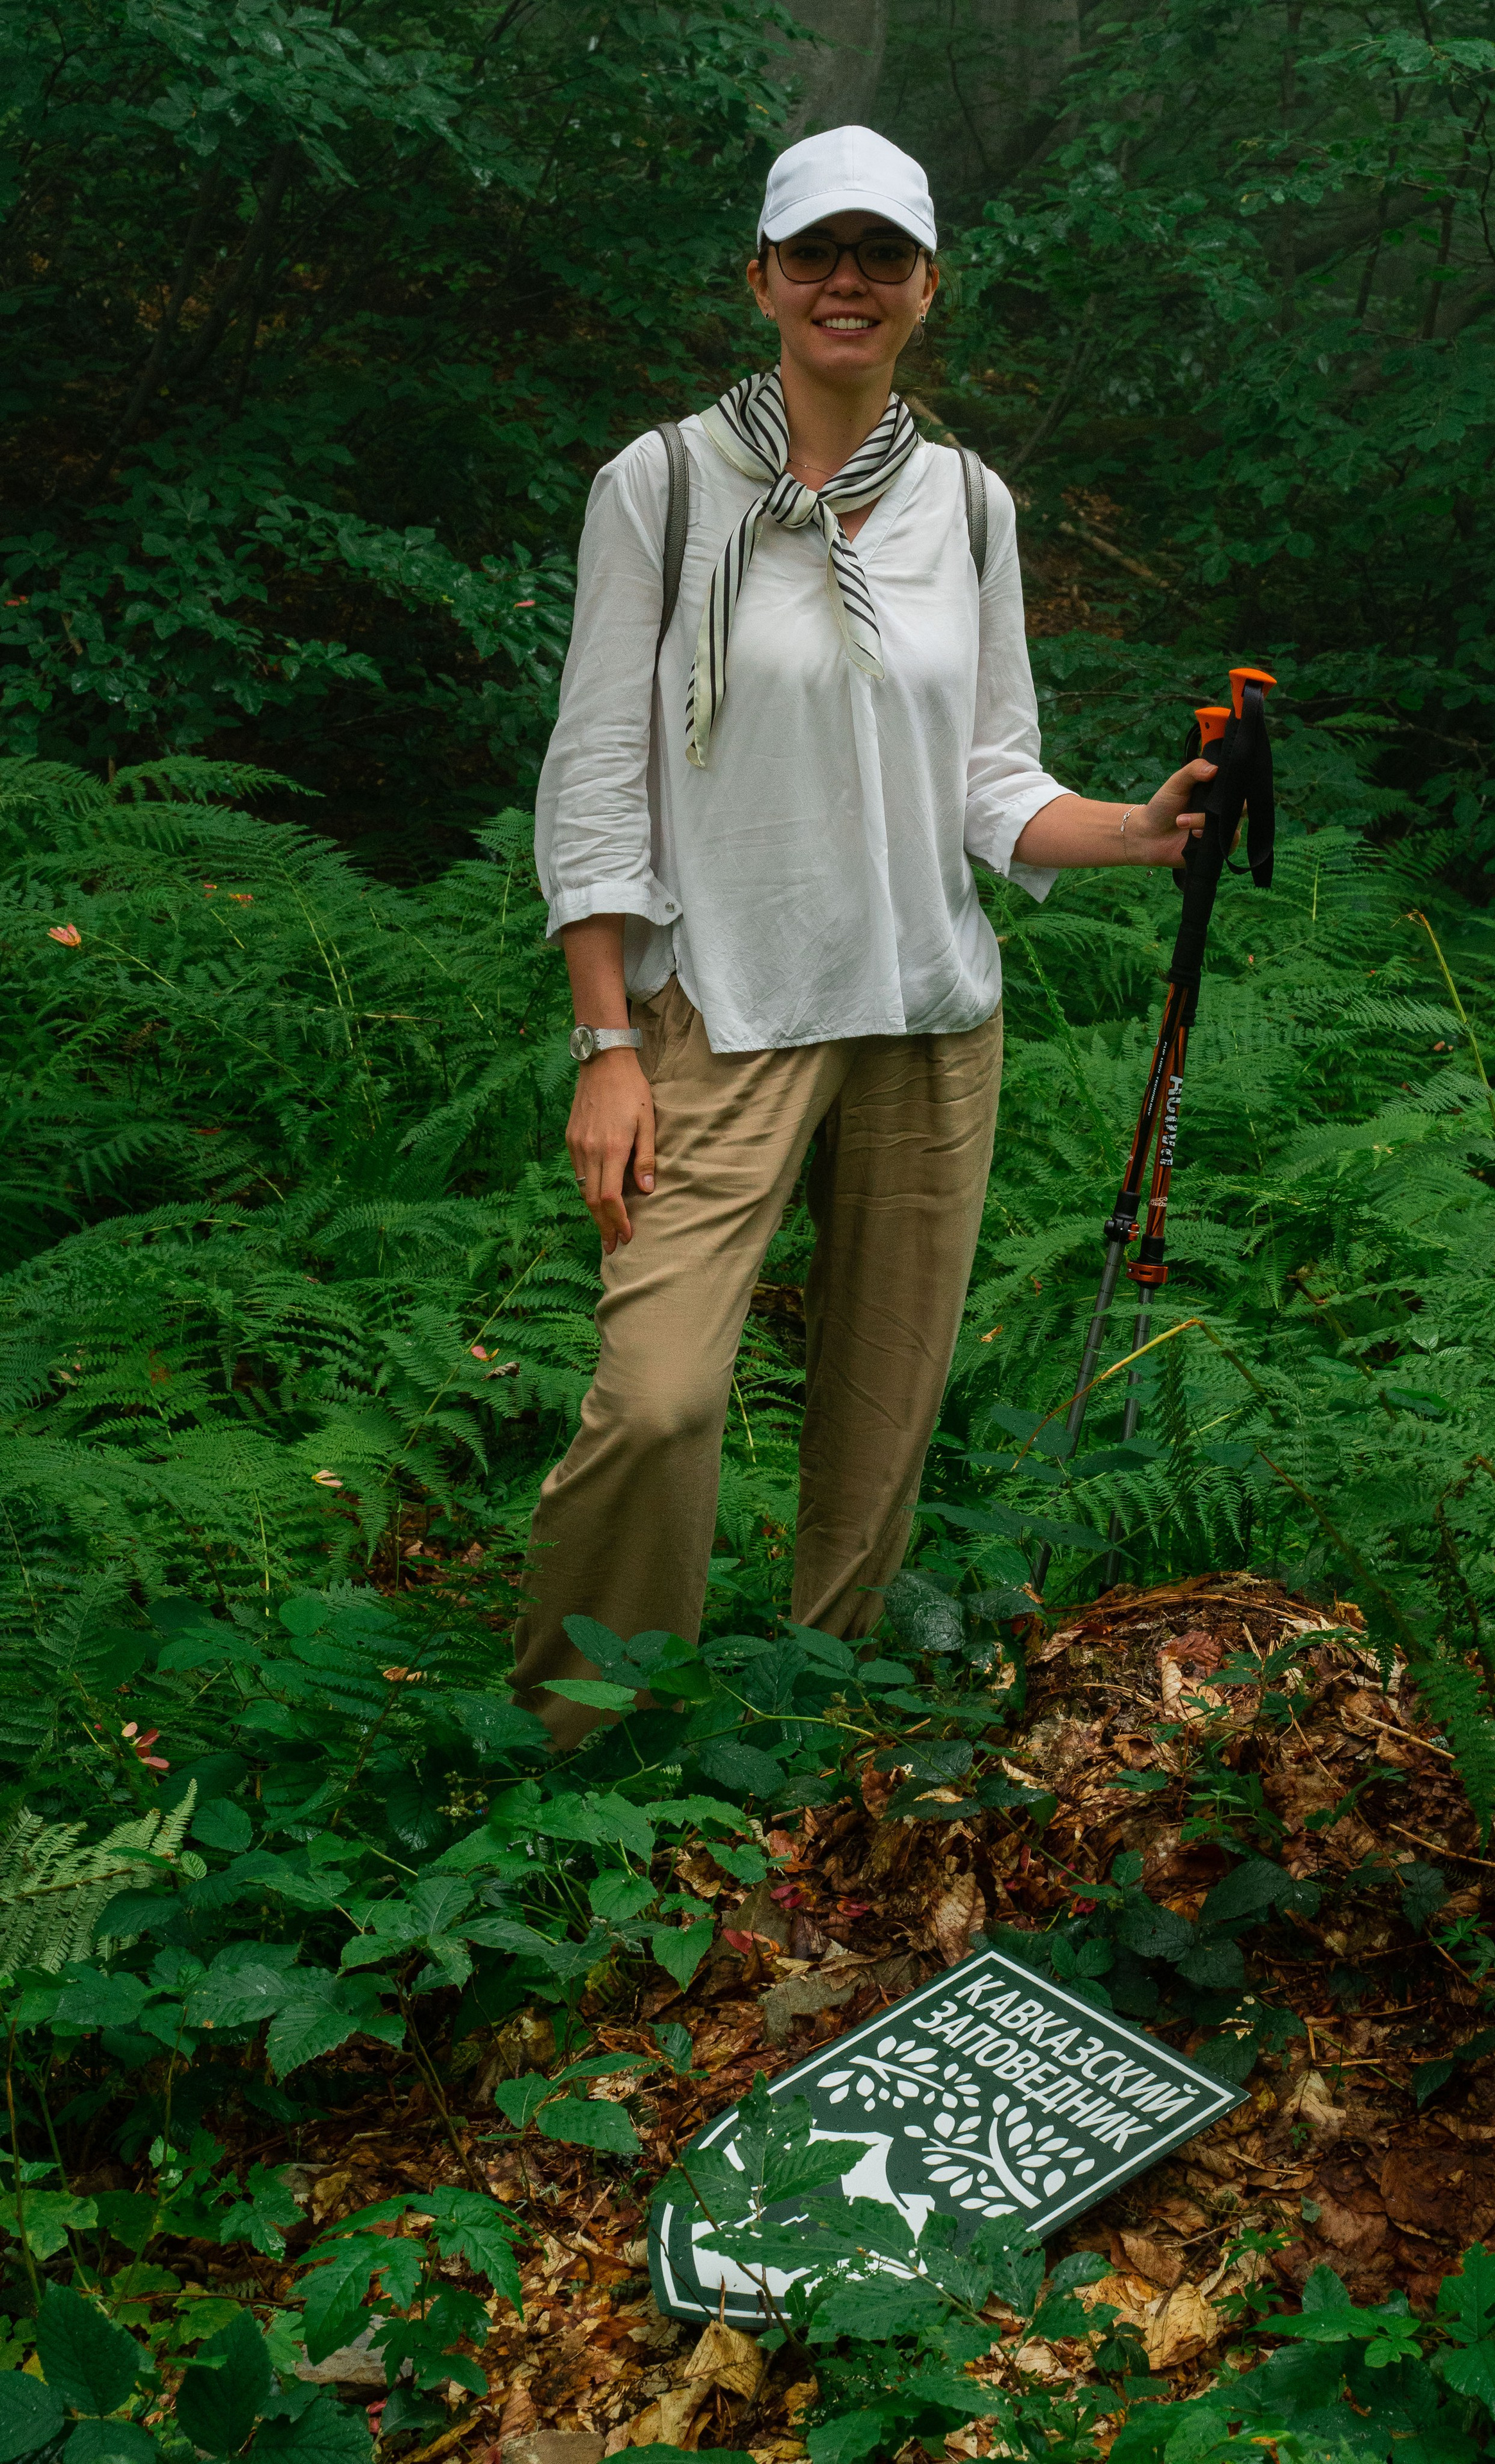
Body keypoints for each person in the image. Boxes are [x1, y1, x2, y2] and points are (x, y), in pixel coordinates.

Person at [514, 124, 1215, 1747]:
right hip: (724, 1008)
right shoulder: (667, 484)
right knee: (660, 1398)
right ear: (759, 278)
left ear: (924, 289)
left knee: (879, 1418)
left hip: (924, 1013)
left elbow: (990, 777)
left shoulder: (969, 507)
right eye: (813, 253)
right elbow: (596, 777)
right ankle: (580, 1750)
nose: (846, 282)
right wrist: (605, 1041)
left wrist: (1137, 827)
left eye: (878, 256)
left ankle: (808, 1731)